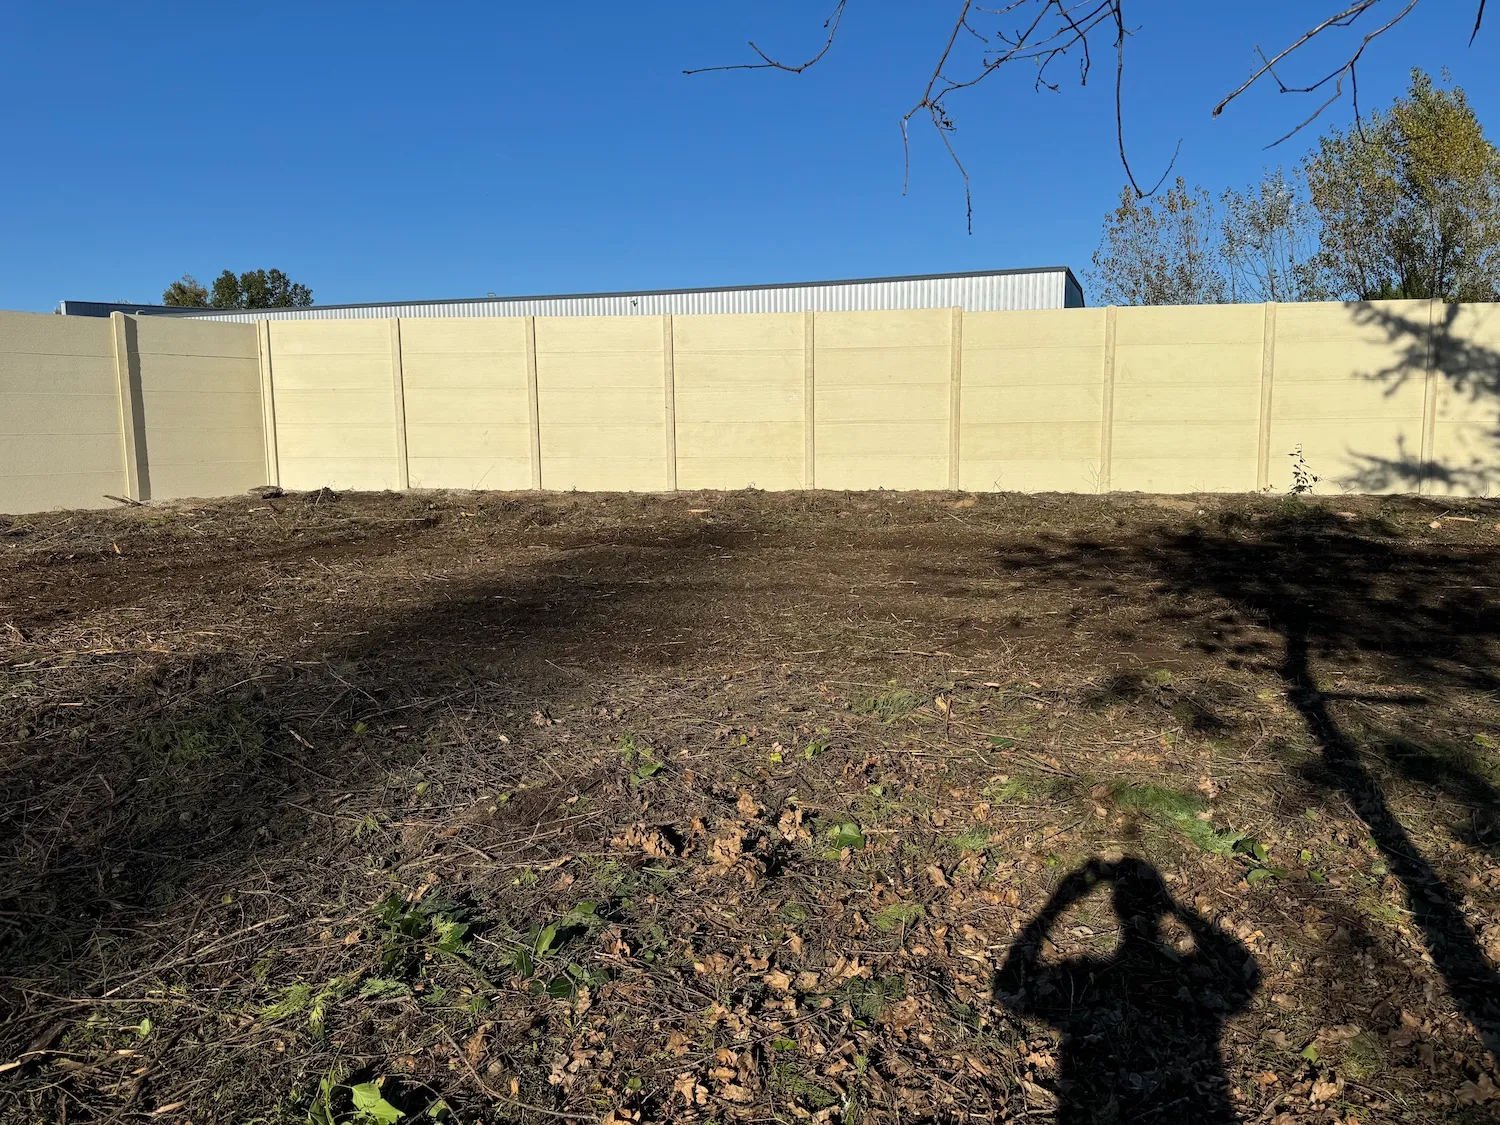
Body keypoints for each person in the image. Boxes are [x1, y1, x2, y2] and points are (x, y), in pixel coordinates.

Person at [996, 857, 1260, 1124]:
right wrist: (1179, 911)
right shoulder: (1183, 976)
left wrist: (1055, 906)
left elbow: (1008, 990)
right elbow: (1245, 980)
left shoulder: (1083, 977)